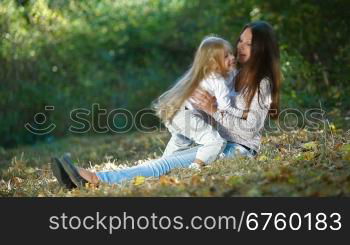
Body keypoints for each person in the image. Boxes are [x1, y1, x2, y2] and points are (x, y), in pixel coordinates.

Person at [51, 20, 281, 188]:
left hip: (238, 149)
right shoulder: (233, 72)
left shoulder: (262, 84)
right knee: (163, 162)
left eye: (248, 44)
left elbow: (249, 129)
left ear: (261, 48)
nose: (240, 47)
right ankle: (82, 180)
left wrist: (214, 110)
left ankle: (94, 178)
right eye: (240, 40)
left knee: (162, 166)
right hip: (215, 140)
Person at [153, 35, 244, 170]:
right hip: (185, 116)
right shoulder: (217, 80)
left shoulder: (225, 74)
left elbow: (235, 81)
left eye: (231, 53)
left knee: (181, 142)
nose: (232, 57)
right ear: (213, 63)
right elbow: (225, 107)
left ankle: (161, 165)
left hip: (178, 114)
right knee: (215, 141)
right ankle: (195, 167)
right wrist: (242, 113)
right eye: (226, 56)